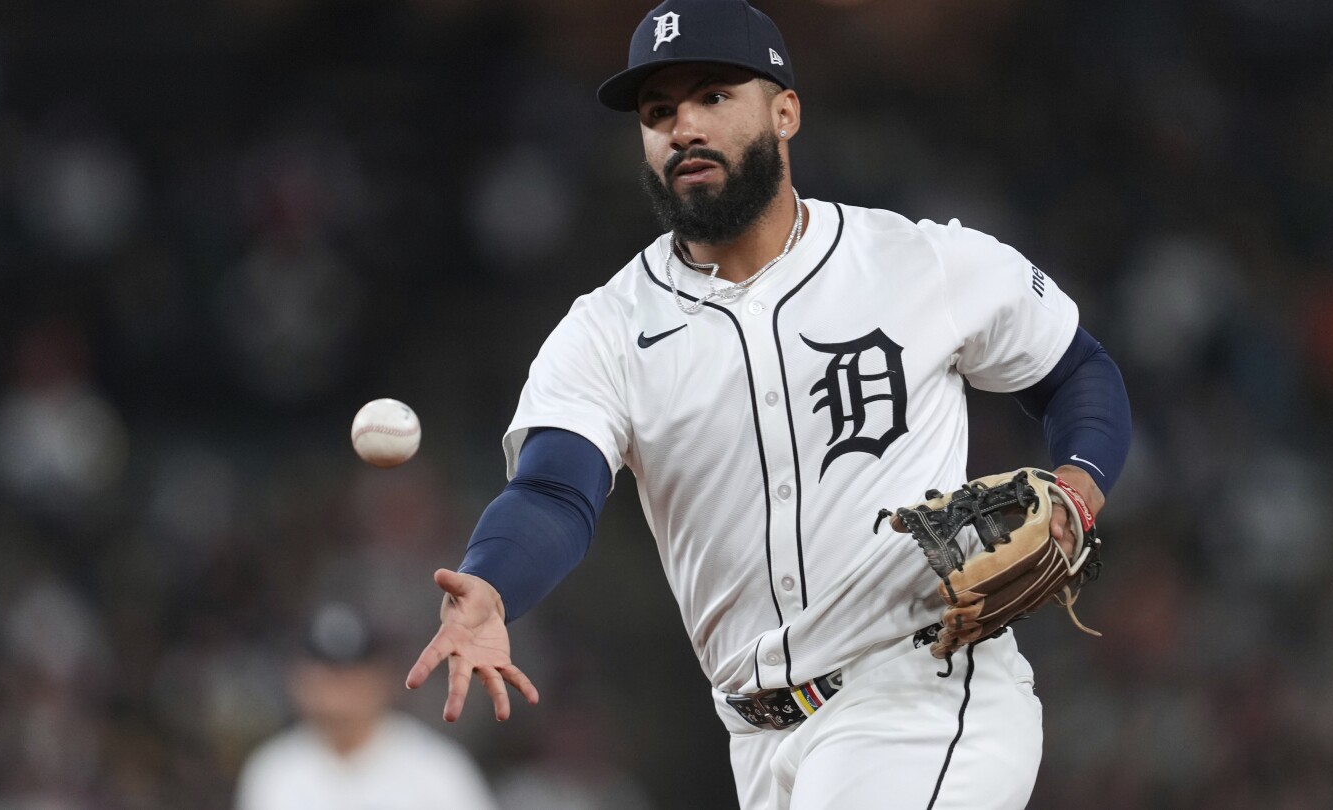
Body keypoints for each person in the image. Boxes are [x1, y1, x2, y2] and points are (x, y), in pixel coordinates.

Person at [404, 1, 1133, 807]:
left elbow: (1076, 369)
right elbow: (552, 488)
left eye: (713, 96)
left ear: (785, 111)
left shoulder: (914, 261)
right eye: (657, 112)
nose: (682, 126)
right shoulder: (606, 329)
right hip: (761, 742)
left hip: (916, 692)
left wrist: (1080, 484)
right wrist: (492, 584)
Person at [236, 602, 499, 810]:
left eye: (352, 673)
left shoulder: (436, 769)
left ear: (384, 679)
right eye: (327, 672)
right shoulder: (273, 770)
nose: (338, 688)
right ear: (298, 680)